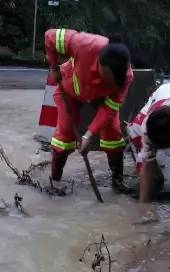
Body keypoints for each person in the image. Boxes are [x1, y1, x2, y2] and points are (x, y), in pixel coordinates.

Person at [45, 28, 133, 193]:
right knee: (64, 135)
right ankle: (55, 181)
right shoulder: (84, 44)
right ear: (99, 62)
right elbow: (50, 36)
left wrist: (88, 134)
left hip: (100, 98)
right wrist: (54, 66)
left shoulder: (126, 78)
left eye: (112, 82)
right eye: (105, 77)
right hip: (70, 89)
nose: (106, 83)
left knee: (113, 132)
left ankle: (117, 180)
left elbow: (109, 110)